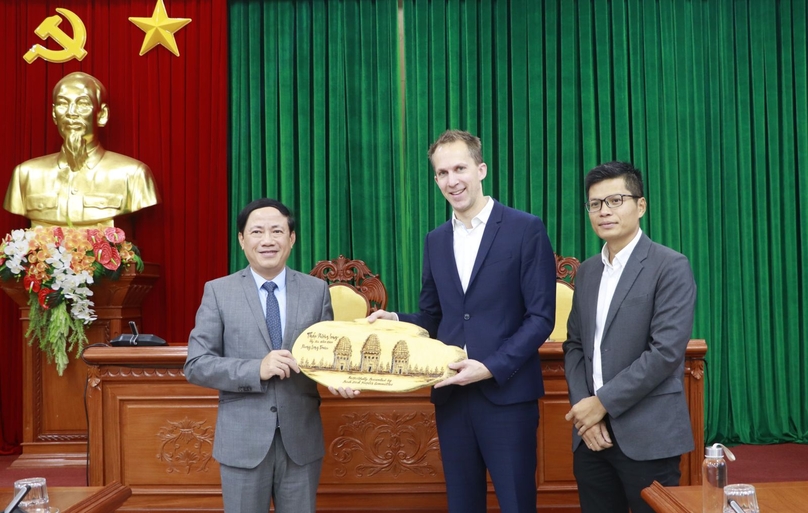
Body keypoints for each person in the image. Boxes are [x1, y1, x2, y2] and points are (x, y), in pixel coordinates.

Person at [344, 129, 557, 513]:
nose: (451, 180)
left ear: (482, 169)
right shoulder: (435, 240)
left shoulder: (525, 228)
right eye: (442, 173)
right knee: (462, 504)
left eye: (459, 168)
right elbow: (434, 316)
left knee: (517, 503)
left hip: (507, 396)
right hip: (451, 396)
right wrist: (395, 319)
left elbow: (541, 317)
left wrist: (489, 367)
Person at [563, 161, 697, 513]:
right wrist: (584, 412)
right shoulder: (589, 272)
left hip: (648, 436)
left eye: (615, 200)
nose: (604, 211)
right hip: (591, 437)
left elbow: (665, 353)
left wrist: (602, 403)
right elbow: (575, 345)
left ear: (640, 206)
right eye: (595, 204)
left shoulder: (670, 266)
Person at [185, 198, 333, 513]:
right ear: (242, 240)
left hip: (301, 441)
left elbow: (327, 356)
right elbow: (196, 364)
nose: (267, 240)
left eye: (277, 231)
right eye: (257, 232)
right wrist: (257, 369)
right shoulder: (219, 292)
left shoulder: (317, 291)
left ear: (291, 239)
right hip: (243, 442)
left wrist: (340, 377)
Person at [3, 71, 159, 227]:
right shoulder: (25, 175)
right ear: (54, 114)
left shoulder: (133, 174)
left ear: (102, 114)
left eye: (82, 104)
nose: (71, 113)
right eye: (63, 103)